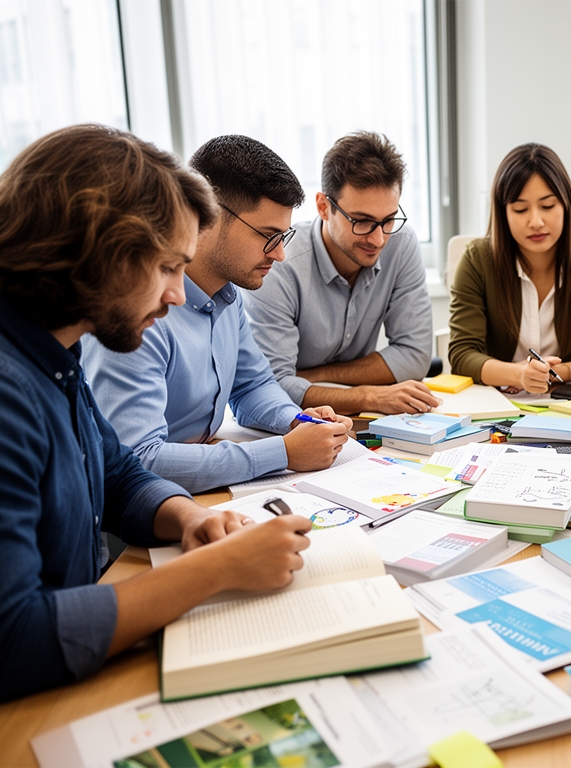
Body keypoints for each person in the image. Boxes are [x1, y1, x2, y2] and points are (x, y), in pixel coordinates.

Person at [0, 125, 313, 702]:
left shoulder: (55, 349)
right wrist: (216, 570)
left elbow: (117, 472)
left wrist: (189, 521)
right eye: (166, 267)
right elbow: (13, 639)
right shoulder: (8, 391)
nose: (176, 296)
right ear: (95, 255)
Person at [84, 135, 351, 494]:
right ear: (208, 215)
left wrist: (297, 421)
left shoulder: (228, 296)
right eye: (267, 236)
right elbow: (138, 460)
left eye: (283, 237)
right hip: (136, 514)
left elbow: (252, 385)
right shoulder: (140, 313)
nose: (279, 255)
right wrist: (283, 453)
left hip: (202, 484)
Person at [244, 131, 438, 415]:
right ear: (324, 207)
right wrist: (367, 397)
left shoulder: (402, 242)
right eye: (361, 221)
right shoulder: (279, 264)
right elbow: (271, 386)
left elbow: (415, 356)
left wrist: (312, 377)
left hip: (357, 424)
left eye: (388, 220)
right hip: (295, 423)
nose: (379, 239)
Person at [448, 143, 571, 392]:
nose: (536, 222)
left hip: (565, 405)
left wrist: (550, 373)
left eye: (548, 206)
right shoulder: (476, 261)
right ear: (503, 213)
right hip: (497, 405)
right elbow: (462, 355)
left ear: (566, 205)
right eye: (520, 209)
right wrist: (518, 374)